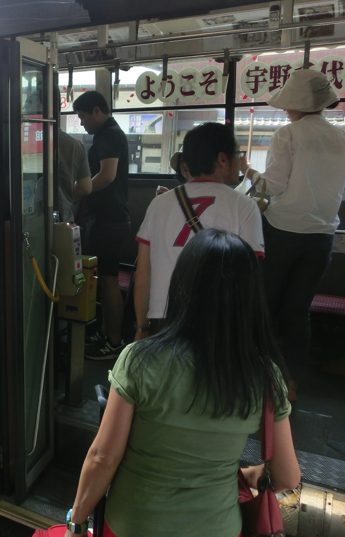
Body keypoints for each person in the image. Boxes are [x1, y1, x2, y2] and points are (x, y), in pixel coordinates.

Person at [64, 229, 300, 537]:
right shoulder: (265, 376)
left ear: (182, 286)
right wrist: (243, 473)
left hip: (134, 525)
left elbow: (103, 458)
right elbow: (287, 477)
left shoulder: (139, 360)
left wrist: (77, 523)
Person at [241, 69, 345, 386]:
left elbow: (273, 186)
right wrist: (321, 191)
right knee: (298, 311)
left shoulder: (288, 134)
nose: (284, 109)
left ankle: (257, 375)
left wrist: (248, 171)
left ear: (296, 104)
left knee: (265, 305)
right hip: (321, 238)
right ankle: (291, 382)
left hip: (281, 231)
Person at [134, 123, 264, 340]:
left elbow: (143, 272)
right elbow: (249, 278)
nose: (240, 160)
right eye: (238, 154)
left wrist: (141, 327)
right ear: (222, 159)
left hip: (163, 314)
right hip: (217, 318)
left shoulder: (159, 204)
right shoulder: (244, 206)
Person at [72, 91, 130, 360]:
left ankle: (115, 341)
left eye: (83, 117)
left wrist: (78, 191)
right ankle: (106, 332)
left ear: (97, 110)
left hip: (109, 219)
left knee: (108, 281)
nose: (82, 123)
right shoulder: (107, 134)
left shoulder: (109, 134)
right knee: (104, 280)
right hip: (106, 218)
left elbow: (107, 175)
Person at [57, 129, 92, 223]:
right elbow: (85, 187)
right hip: (63, 218)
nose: (81, 123)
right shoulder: (75, 145)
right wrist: (66, 193)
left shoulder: (25, 139)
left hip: (29, 219)